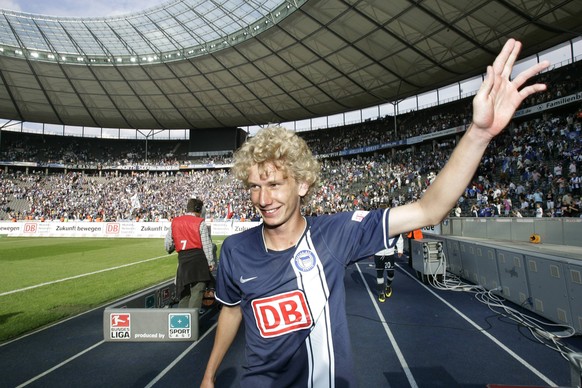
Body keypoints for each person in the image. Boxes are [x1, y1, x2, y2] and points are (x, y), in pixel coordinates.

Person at [201, 39, 549, 387]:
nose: (263, 198)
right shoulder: (235, 250)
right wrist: (209, 375)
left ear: (302, 184)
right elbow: (232, 310)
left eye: (275, 184)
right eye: (254, 187)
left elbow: (429, 210)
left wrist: (479, 134)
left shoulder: (334, 234)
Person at [165, 198, 216, 309]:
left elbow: (168, 246)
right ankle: (193, 322)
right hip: (199, 263)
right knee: (197, 293)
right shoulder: (200, 223)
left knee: (184, 294)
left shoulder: (175, 222)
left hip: (183, 263)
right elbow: (207, 245)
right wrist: (211, 262)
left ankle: (181, 323)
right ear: (198, 209)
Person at [374, 234, 403, 302]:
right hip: (378, 253)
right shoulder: (376, 224)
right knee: (379, 273)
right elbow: (370, 237)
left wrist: (400, 249)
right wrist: (369, 251)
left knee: (390, 272)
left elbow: (398, 236)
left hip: (389, 253)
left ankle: (388, 286)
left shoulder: (391, 224)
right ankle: (381, 292)